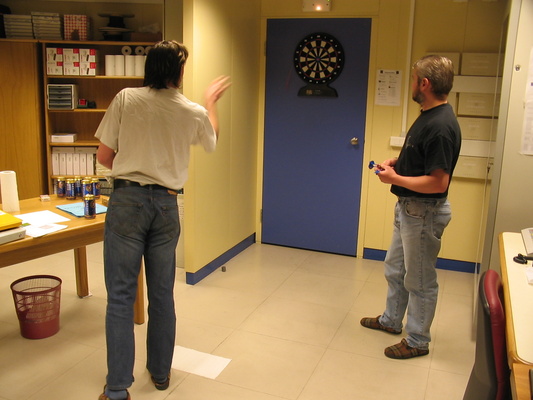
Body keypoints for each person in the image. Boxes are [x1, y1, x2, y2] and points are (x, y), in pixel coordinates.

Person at [94, 40, 230, 400]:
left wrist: (136, 157)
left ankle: (118, 387)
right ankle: (160, 374)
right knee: (162, 295)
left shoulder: (126, 98)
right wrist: (212, 102)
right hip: (168, 207)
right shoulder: (192, 110)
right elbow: (213, 139)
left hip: (127, 201)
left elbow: (104, 156)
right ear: (178, 72)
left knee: (121, 297)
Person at [361, 55, 461, 359]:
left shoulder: (442, 125)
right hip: (408, 209)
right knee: (395, 268)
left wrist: (397, 177)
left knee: (419, 280)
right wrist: (397, 164)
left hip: (424, 212)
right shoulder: (428, 115)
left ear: (425, 84)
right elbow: (422, 161)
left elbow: (437, 183)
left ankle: (418, 340)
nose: (412, 83)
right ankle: (392, 321)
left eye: (414, 77)